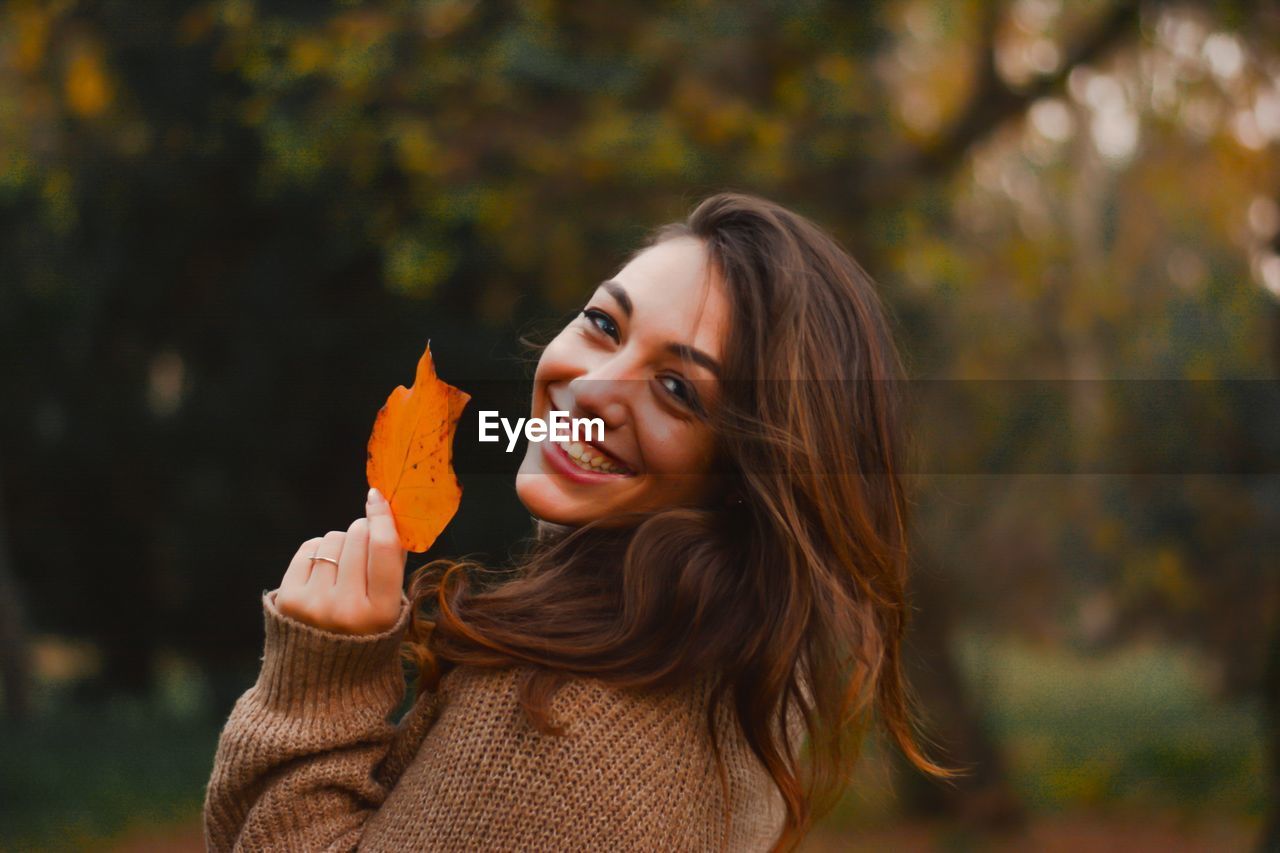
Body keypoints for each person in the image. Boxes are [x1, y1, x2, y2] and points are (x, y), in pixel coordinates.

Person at [202, 192, 949, 852]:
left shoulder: (555, 717)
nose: (592, 387)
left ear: (748, 471)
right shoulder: (743, 680)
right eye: (603, 323)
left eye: (677, 388)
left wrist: (321, 685)